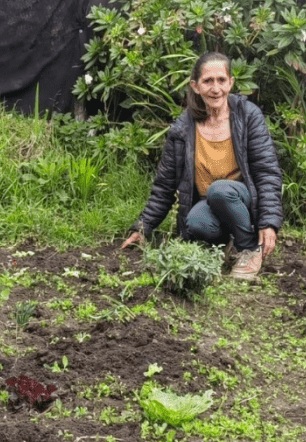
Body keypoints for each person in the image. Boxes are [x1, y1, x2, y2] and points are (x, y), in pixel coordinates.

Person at [120, 52, 283, 281]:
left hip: (243, 200)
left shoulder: (247, 116)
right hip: (210, 202)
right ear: (195, 86)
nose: (216, 89)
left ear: (231, 83)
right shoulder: (183, 128)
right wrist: (142, 228)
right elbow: (165, 185)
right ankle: (229, 243)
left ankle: (249, 249)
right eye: (208, 81)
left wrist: (269, 223)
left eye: (221, 80)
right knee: (195, 222)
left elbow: (267, 173)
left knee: (220, 190)